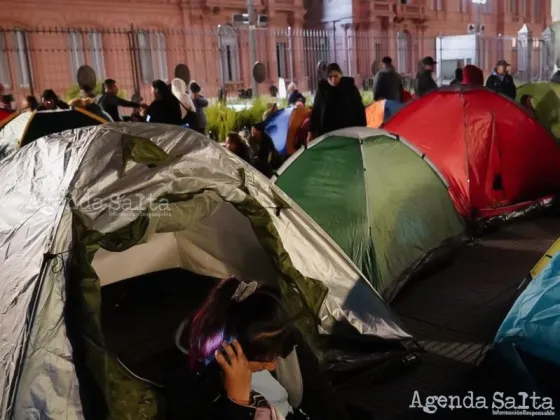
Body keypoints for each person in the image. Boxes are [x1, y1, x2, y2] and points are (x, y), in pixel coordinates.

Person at [164, 277, 350, 420]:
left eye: (278, 353)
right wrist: (237, 401)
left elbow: (322, 398)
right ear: (227, 348)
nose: (271, 366)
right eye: (261, 359)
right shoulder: (191, 379)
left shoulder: (283, 340)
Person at [309, 62, 366, 139]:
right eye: (330, 77)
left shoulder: (349, 87)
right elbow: (316, 111)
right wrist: (311, 131)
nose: (333, 79)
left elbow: (359, 107)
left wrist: (362, 127)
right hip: (327, 132)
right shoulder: (323, 90)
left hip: (348, 130)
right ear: (326, 78)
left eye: (336, 76)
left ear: (340, 75)